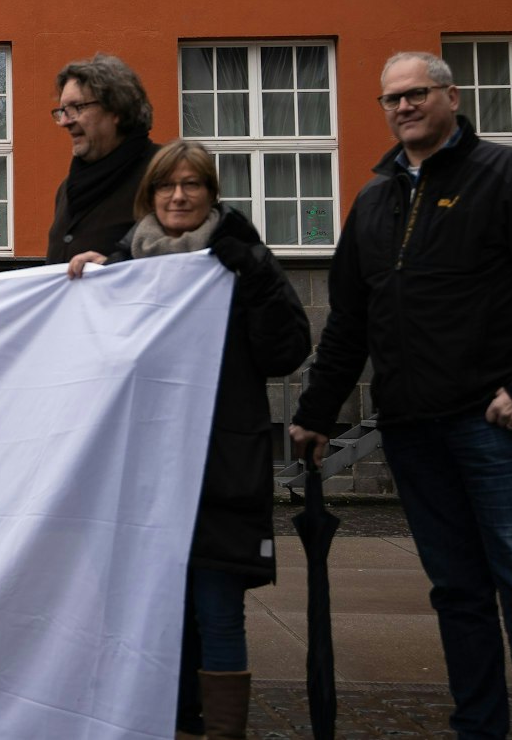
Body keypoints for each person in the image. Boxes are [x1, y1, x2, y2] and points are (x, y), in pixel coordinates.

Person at [291, 52, 512, 740]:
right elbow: (348, 320)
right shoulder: (373, 199)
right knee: (457, 594)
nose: (403, 107)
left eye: (417, 93)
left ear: (451, 96)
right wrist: (315, 413)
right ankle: (478, 729)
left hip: (493, 424)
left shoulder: (509, 174)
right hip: (413, 428)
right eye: (391, 98)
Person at [65, 142, 310, 739]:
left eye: (192, 185)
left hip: (220, 466)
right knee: (151, 614)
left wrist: (251, 274)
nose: (179, 197)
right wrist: (86, 286)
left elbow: (287, 349)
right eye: (167, 186)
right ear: (149, 197)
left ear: (211, 193)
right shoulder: (125, 262)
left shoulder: (241, 256)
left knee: (218, 608)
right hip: (143, 474)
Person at [45, 53, 158, 264]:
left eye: (77, 108)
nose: (64, 122)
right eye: (62, 111)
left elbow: (184, 261)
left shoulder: (163, 173)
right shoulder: (66, 190)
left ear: (117, 110)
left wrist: (114, 267)